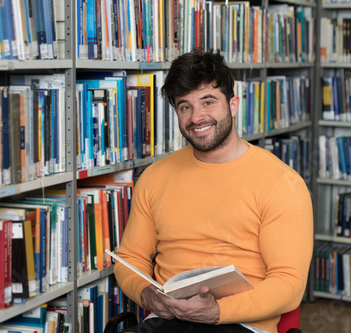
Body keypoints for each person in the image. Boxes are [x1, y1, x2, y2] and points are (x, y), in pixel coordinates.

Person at [113, 49, 313, 333]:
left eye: (208, 102)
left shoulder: (282, 183)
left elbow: (289, 284)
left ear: (233, 105)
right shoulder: (155, 177)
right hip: (165, 321)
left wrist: (218, 312)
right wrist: (146, 294)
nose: (197, 117)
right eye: (185, 106)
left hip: (242, 323)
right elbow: (130, 258)